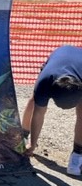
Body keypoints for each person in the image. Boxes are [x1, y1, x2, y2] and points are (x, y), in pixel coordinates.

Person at [22, 45, 82, 175]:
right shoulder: (45, 81)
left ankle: (77, 156)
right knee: (34, 100)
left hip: (79, 64)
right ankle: (23, 136)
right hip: (60, 54)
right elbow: (39, 113)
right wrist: (32, 144)